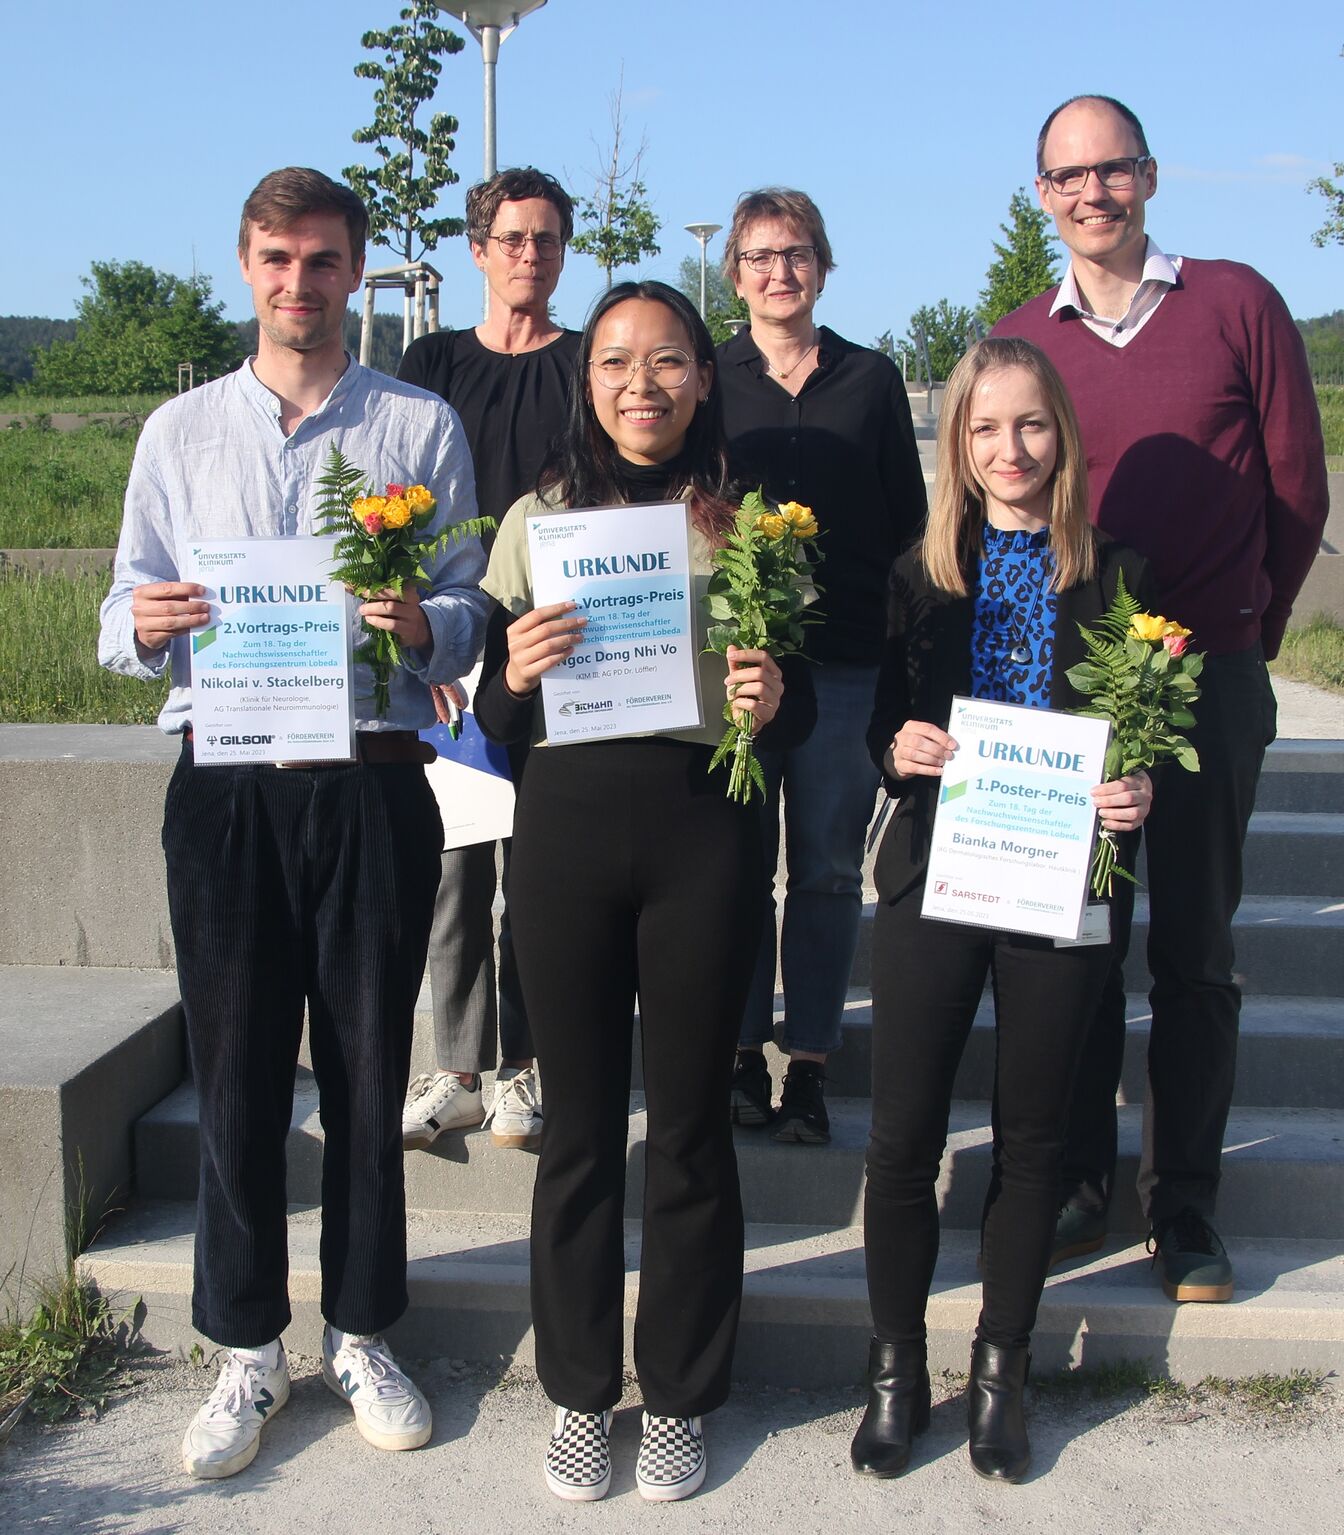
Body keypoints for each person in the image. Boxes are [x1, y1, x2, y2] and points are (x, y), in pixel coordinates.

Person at [97, 168, 489, 1479]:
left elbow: (469, 596)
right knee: (239, 1071)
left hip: (369, 776)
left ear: (356, 270)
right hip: (223, 786)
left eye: (322, 261)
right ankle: (247, 1341)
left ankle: (367, 1325)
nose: (297, 283)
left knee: (373, 1071)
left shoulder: (419, 426)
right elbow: (119, 612)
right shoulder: (179, 432)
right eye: (275, 258)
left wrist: (433, 624)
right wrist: (144, 623)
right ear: (245, 265)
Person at [474, 280, 813, 1502]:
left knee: (685, 1130)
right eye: (616, 362)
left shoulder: (750, 524)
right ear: (588, 379)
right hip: (564, 833)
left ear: (704, 377)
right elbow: (495, 726)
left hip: (703, 838)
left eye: (668, 360)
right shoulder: (537, 519)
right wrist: (509, 673)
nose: (641, 384)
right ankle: (576, 1391)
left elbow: (799, 709)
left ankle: (675, 1390)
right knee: (576, 1132)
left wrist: (774, 703)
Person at [992, 95, 1330, 1301]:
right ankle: (1080, 1179)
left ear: (1149, 175)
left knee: (1192, 950)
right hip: (1066, 696)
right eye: (1067, 175)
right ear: (1042, 193)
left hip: (1208, 680)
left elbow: (1296, 492)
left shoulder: (1236, 303)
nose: (1093, 193)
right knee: (1075, 940)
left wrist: (1244, 633)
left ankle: (1182, 1206)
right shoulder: (1023, 334)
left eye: (1112, 169)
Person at [854, 336, 1154, 1483]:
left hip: (1062, 878)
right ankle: (894, 1372)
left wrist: (1140, 788)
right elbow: (884, 719)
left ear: (1061, 435)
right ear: (958, 444)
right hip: (940, 872)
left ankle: (1001, 1369)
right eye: (985, 428)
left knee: (1031, 1142)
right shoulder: (922, 573)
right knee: (901, 1139)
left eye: (1029, 425)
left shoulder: (1122, 573)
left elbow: (1148, 727)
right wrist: (901, 743)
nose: (1009, 448)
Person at [716, 188, 928, 1144]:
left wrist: (906, 664)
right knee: (731, 864)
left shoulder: (870, 379)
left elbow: (908, 530)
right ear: (733, 273)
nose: (778, 272)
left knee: (829, 870)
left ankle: (806, 1063)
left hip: (843, 660)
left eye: (795, 253)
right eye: (759, 256)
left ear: (823, 266)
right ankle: (732, 1050)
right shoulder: (707, 378)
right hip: (738, 665)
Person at [396, 167, 580, 1154]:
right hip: (457, 649)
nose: (530, 255)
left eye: (547, 239)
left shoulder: (588, 362)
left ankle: (530, 1066)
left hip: (557, 653)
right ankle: (458, 1067)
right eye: (512, 238)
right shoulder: (432, 363)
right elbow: (400, 491)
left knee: (542, 870)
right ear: (478, 250)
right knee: (457, 866)